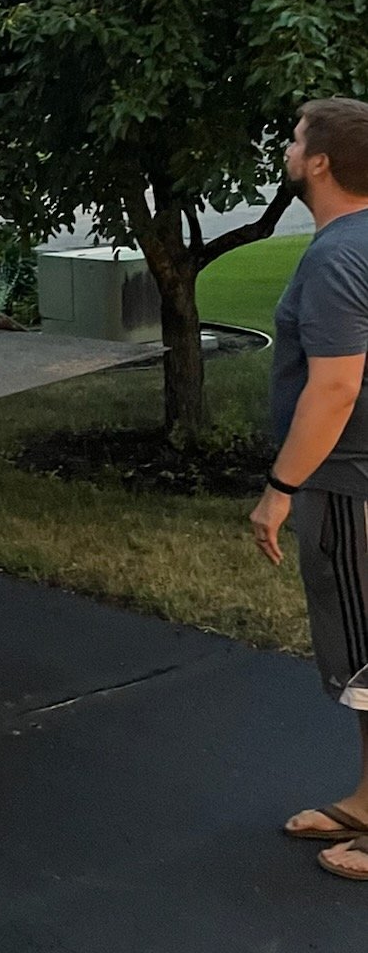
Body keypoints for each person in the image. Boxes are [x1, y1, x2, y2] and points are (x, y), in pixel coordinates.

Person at [249, 98, 368, 880]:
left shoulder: (336, 257)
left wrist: (279, 487)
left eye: (296, 139)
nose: (288, 149)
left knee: (367, 656)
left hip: (350, 484)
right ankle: (367, 798)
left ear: (320, 161)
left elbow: (334, 389)